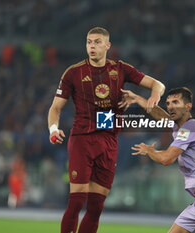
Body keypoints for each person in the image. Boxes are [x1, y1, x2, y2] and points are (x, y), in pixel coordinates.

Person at [47, 27, 165, 233]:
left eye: (97, 42)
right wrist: (53, 129)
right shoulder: (73, 73)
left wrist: (155, 96)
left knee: (96, 207)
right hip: (82, 139)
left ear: (107, 45)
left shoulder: (120, 69)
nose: (92, 46)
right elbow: (55, 107)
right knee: (76, 202)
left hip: (109, 141)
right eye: (89, 42)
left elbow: (158, 84)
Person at [120, 87, 195, 233]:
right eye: (168, 103)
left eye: (176, 102)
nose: (170, 106)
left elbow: (167, 159)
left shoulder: (191, 127)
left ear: (188, 106)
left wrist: (150, 151)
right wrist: (138, 99)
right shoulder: (180, 127)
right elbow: (160, 116)